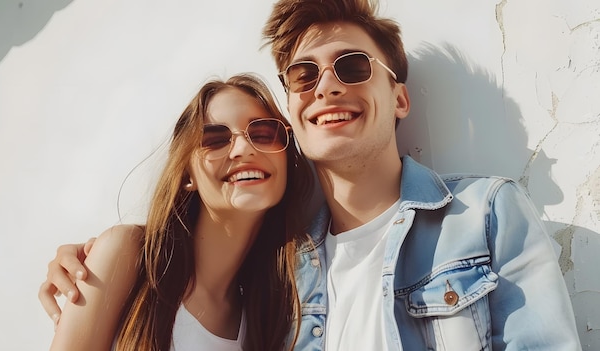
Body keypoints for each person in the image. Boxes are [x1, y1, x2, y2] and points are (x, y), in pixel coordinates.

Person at [40, 0, 582, 349]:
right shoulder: (280, 270)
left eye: (351, 67)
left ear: (398, 97)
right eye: (303, 76)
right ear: (294, 113)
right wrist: (106, 257)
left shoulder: (485, 215)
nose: (325, 87)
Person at [44, 73, 314, 350]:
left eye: (264, 133)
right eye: (215, 138)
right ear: (187, 175)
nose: (244, 149)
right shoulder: (129, 256)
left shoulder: (271, 322)